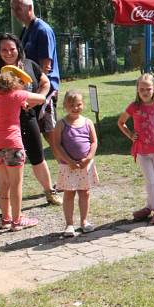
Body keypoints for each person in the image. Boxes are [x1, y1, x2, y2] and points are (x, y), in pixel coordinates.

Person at [0, 33, 61, 206]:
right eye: (3, 50)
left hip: (27, 118)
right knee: (2, 166)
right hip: (1, 126)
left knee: (38, 156)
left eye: (12, 49)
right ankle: (6, 205)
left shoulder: (29, 65)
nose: (8, 53)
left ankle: (50, 192)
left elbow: (45, 83)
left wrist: (37, 97)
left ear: (18, 49)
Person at [0, 65, 46, 230]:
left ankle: (5, 219)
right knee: (16, 183)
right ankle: (17, 221)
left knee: (3, 182)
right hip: (12, 144)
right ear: (17, 82)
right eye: (24, 83)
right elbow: (41, 99)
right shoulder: (18, 95)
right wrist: (28, 100)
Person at [117, 73, 154, 225]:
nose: (145, 92)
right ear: (137, 90)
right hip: (141, 149)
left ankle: (148, 207)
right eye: (142, 89)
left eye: (148, 89)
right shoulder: (133, 107)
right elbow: (121, 122)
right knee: (151, 181)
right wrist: (130, 135)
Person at [10, 0, 61, 148]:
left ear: (30, 8)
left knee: (49, 131)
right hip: (32, 90)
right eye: (13, 9)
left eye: (18, 8)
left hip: (45, 90)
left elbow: (46, 65)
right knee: (40, 131)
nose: (15, 13)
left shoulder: (42, 30)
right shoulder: (26, 30)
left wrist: (39, 93)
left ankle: (66, 161)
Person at [52, 90, 99, 237]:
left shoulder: (87, 122)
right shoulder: (61, 124)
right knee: (69, 194)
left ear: (83, 104)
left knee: (85, 193)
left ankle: (84, 221)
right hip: (68, 166)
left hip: (85, 165)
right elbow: (57, 145)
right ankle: (69, 224)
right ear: (65, 105)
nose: (75, 107)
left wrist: (89, 158)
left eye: (78, 104)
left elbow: (94, 141)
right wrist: (69, 161)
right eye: (71, 105)